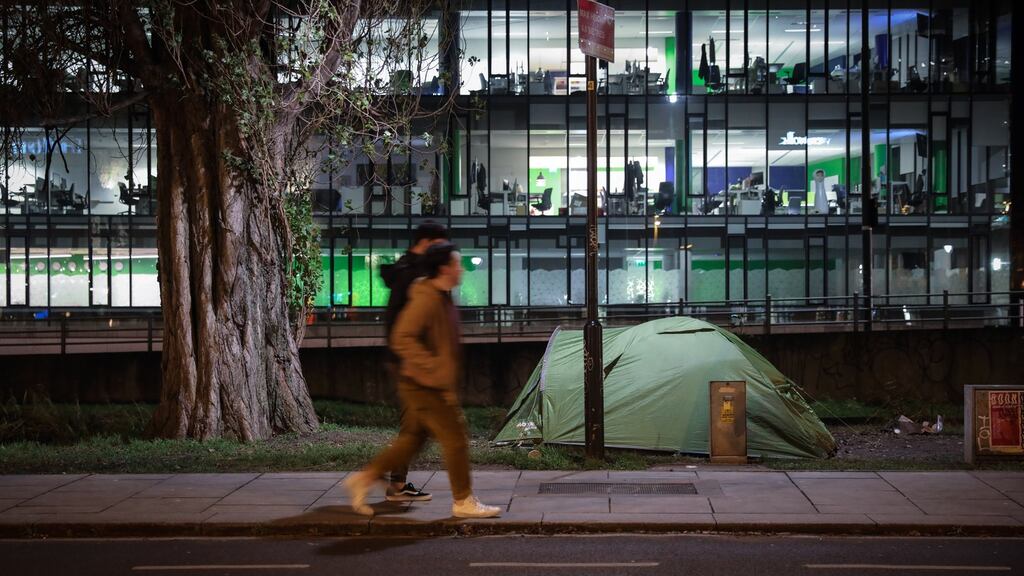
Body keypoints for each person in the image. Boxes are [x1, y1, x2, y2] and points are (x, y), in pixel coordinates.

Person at [345, 243, 502, 519]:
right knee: (456, 440)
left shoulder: (442, 296)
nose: (461, 268)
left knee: (413, 441)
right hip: (423, 384)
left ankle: (365, 478)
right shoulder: (427, 298)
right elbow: (402, 337)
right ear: (444, 268)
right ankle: (463, 501)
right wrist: (433, 368)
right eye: (457, 264)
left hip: (429, 382)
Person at [375, 221, 450, 503]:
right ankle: (388, 480)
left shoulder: (408, 268)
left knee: (417, 424)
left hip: (407, 360)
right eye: (440, 246)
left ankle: (396, 481)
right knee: (415, 425)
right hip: (411, 362)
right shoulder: (416, 274)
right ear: (428, 242)